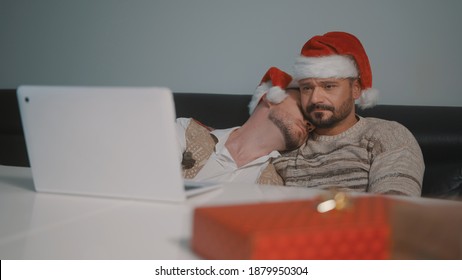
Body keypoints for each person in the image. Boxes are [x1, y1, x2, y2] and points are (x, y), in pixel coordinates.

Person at [274, 31, 424, 196]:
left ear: (356, 89)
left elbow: (394, 210)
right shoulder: (289, 142)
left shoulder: (388, 135)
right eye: (307, 88)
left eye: (329, 86)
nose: (315, 98)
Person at [176, 67, 313, 185]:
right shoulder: (186, 130)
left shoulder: (275, 184)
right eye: (302, 108)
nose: (310, 124)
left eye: (313, 122)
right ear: (270, 97)